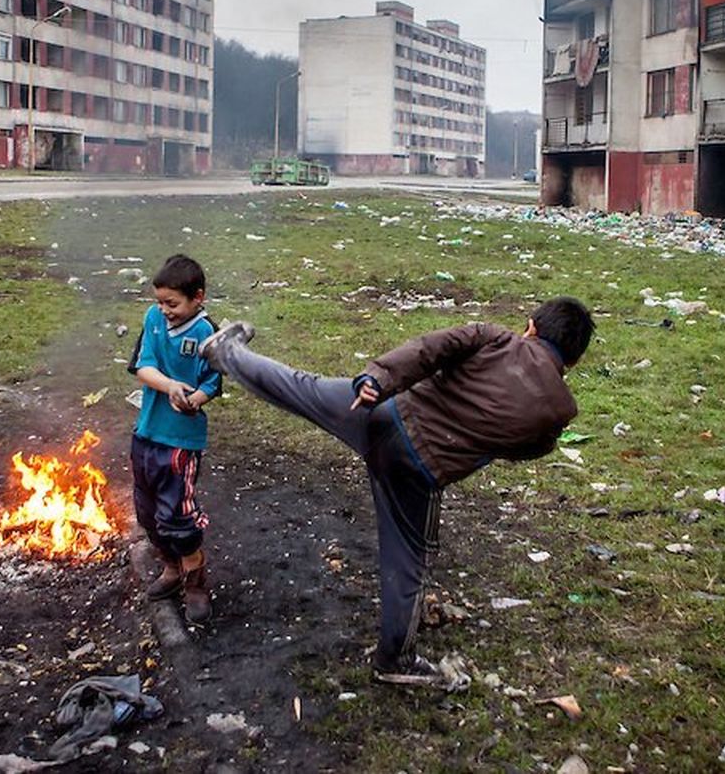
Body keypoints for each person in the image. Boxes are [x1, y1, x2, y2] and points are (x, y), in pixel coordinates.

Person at [200, 296, 594, 687]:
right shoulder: (560, 410)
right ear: (572, 361)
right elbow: (530, 449)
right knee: (407, 563)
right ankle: (395, 658)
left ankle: (228, 353)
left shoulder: (494, 338)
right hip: (419, 471)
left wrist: (376, 379)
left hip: (381, 412)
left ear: (531, 327)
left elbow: (429, 349)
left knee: (300, 387)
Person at [130, 254, 223, 623]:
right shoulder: (153, 319)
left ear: (197, 297)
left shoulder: (207, 333)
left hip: (181, 442)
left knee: (179, 515)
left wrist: (195, 399)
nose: (164, 310)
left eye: (173, 303)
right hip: (146, 431)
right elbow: (142, 365)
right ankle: (170, 570)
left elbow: (213, 382)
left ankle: (196, 582)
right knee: (148, 511)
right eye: (160, 302)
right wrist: (169, 386)